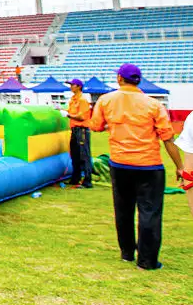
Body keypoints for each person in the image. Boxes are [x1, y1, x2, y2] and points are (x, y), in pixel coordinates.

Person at [90, 63, 184, 270]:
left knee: (123, 210)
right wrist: (179, 166)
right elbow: (168, 138)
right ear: (139, 80)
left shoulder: (106, 100)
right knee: (149, 212)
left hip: (120, 163)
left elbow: (95, 126)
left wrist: (114, 125)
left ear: (119, 79)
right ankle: (147, 261)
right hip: (149, 166)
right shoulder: (153, 104)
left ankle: (126, 253)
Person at [65, 78, 93, 189]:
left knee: (84, 155)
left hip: (82, 130)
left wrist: (68, 115)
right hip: (75, 130)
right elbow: (72, 112)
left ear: (79, 86)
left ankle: (87, 180)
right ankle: (75, 178)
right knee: (75, 155)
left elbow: (82, 117)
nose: (71, 87)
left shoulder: (82, 100)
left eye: (73, 85)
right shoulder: (73, 99)